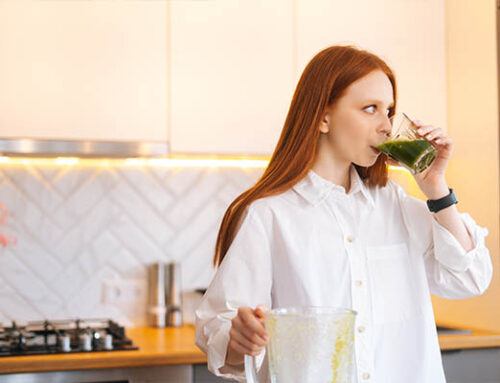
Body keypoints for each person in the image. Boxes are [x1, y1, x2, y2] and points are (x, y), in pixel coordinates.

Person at [194, 45, 493, 382]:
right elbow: (216, 326)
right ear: (323, 117)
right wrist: (239, 338)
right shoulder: (268, 215)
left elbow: (470, 279)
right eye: (370, 109)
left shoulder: (396, 205)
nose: (386, 126)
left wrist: (436, 187)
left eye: (390, 110)